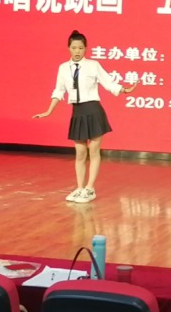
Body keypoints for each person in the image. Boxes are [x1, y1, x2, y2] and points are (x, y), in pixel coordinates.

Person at [33, 30, 136, 204]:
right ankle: (80, 188)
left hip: (93, 110)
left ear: (86, 49)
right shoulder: (63, 68)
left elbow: (108, 82)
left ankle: (90, 188)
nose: (77, 51)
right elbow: (59, 90)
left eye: (81, 48)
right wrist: (49, 110)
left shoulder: (93, 65)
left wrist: (124, 90)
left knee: (93, 151)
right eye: (74, 47)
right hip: (77, 112)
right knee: (80, 153)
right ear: (69, 48)